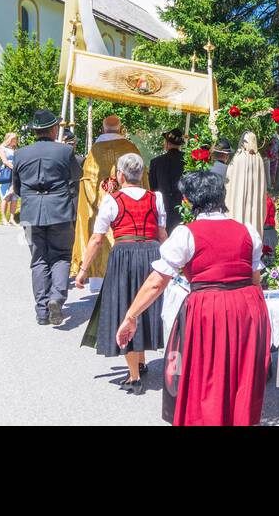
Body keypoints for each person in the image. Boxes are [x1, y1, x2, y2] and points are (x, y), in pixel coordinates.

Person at [114, 169, 270, 426]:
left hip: (211, 309)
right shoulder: (248, 231)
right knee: (240, 371)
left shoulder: (187, 233)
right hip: (248, 307)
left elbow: (156, 282)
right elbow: (255, 278)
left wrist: (131, 316)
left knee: (209, 373)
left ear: (187, 200)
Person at [75, 152, 168, 392]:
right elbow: (162, 234)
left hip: (124, 256)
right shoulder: (155, 198)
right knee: (144, 305)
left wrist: (83, 270)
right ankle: (141, 360)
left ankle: (134, 375)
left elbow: (97, 239)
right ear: (141, 174)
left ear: (120, 175)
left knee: (126, 307)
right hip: (152, 254)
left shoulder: (111, 200)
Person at [5, 109, 81, 326]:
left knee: (38, 259)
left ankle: (41, 311)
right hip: (60, 211)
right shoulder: (65, 151)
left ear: (35, 131)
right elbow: (76, 175)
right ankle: (56, 297)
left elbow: (17, 187)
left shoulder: (20, 154)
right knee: (61, 256)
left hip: (30, 214)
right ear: (54, 129)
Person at [73, 115, 144, 281]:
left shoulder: (94, 150)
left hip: (102, 206)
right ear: (120, 129)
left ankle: (97, 277)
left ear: (103, 129)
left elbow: (88, 180)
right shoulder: (130, 147)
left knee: (99, 235)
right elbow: (141, 175)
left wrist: (104, 196)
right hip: (128, 207)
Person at [224, 131, 267, 239]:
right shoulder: (259, 159)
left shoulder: (238, 158)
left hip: (238, 202)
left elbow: (229, 181)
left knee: (238, 218)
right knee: (254, 220)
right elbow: (262, 187)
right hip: (254, 203)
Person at [148, 127, 186, 232]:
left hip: (162, 207)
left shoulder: (155, 162)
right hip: (183, 207)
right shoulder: (188, 161)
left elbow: (153, 187)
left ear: (167, 143)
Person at [0, 132, 19, 225]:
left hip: (15, 174)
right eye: (14, 139)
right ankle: (3, 218)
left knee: (15, 196)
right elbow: (5, 161)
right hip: (7, 173)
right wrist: (15, 168)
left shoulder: (16, 150)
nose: (16, 141)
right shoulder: (2, 148)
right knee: (6, 195)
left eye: (16, 139)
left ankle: (12, 219)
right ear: (9, 139)